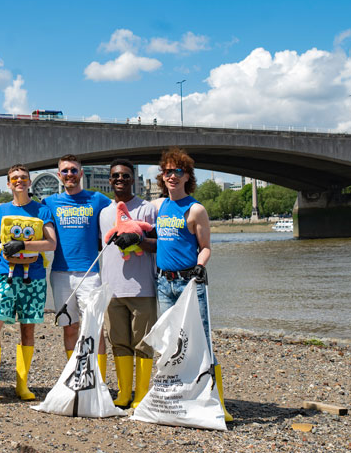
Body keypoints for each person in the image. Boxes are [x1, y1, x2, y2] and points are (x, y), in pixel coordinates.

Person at [149, 147, 232, 421]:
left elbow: (206, 247)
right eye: (167, 171)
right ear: (162, 176)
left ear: (187, 176)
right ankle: (177, 399)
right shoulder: (160, 206)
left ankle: (217, 403)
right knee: (170, 343)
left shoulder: (196, 210)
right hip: (163, 283)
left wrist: (200, 265)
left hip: (189, 283)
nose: (171, 176)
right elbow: (154, 237)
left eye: (177, 171)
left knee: (203, 342)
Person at [0, 164, 56, 405]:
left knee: (28, 328)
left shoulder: (42, 211)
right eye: (14, 178)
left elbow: (51, 244)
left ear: (29, 183)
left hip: (34, 277)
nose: (19, 181)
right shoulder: (0, 211)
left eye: (23, 178)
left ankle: (22, 384)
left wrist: (24, 245)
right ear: (9, 184)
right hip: (3, 275)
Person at [42, 154, 112, 379]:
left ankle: (98, 381)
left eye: (74, 170)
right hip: (61, 274)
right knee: (70, 327)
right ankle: (75, 376)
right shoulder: (49, 203)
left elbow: (121, 213)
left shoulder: (98, 199)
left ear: (81, 173)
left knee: (96, 328)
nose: (70, 174)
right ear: (59, 175)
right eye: (65, 171)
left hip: (90, 274)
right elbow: (21, 210)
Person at [98, 159, 157, 408]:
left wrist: (138, 240)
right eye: (115, 176)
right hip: (112, 290)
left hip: (142, 288)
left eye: (125, 176)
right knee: (118, 342)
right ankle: (124, 393)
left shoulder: (147, 209)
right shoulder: (103, 213)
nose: (120, 180)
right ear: (110, 180)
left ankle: (141, 395)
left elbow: (160, 245)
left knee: (143, 344)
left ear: (133, 179)